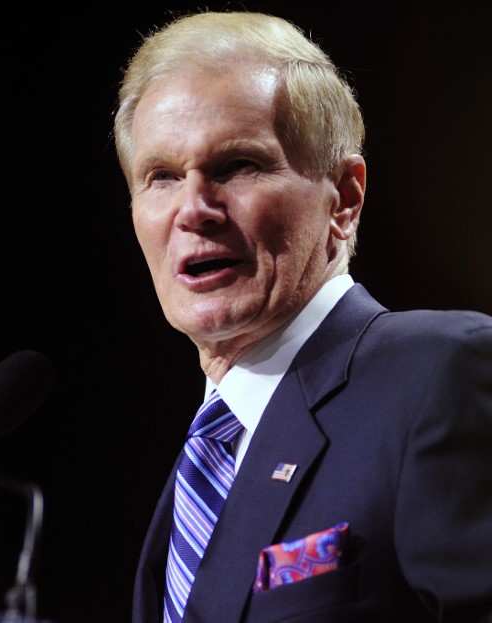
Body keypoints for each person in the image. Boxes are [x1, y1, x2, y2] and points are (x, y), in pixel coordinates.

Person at [113, 9, 492, 623]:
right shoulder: (202, 461)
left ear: (343, 199)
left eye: (237, 166)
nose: (194, 209)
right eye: (161, 176)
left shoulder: (440, 373)